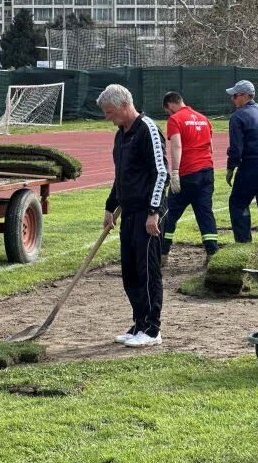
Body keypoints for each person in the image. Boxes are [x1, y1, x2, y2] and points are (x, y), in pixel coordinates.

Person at [98, 84, 168, 348]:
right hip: (128, 212)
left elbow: (161, 173)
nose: (107, 117)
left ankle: (152, 329)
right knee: (129, 271)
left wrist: (153, 212)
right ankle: (139, 322)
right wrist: (110, 206)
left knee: (147, 270)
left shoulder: (147, 129)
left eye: (110, 111)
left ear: (125, 105)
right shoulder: (121, 135)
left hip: (147, 214)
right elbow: (121, 176)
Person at [160, 91, 218, 264]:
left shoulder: (175, 119)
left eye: (167, 110)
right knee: (205, 213)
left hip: (187, 173)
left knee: (170, 213)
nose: (168, 114)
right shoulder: (203, 118)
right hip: (207, 172)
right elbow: (211, 146)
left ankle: (162, 253)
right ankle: (211, 252)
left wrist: (175, 172)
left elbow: (177, 145)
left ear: (170, 104)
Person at [225, 80, 258, 242]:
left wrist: (231, 168)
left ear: (245, 96)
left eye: (235, 96)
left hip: (252, 165)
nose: (232, 99)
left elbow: (236, 148)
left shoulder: (238, 116)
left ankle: (243, 243)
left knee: (238, 203)